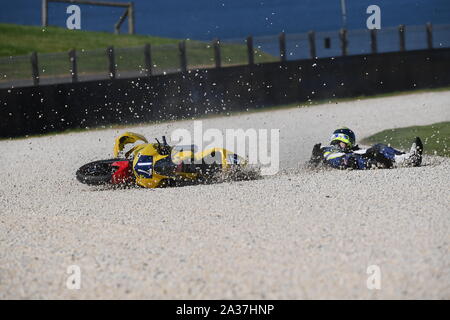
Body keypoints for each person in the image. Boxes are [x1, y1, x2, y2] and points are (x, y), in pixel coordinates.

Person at [309, 127, 423, 169]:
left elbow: (362, 151)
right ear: (341, 140)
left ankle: (406, 157)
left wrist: (373, 151)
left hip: (352, 158)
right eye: (348, 142)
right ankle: (378, 163)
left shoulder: (350, 150)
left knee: (378, 147)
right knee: (351, 158)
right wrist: (314, 157)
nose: (350, 145)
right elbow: (311, 164)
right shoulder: (327, 150)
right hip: (346, 160)